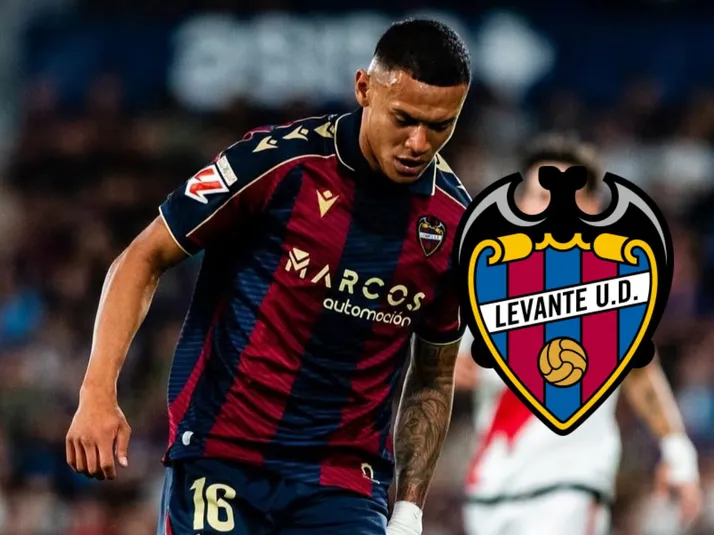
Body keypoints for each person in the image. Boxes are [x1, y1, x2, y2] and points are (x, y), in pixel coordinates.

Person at [65, 18, 473, 535]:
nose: (418, 142)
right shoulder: (275, 163)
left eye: (440, 126)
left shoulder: (456, 224)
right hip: (223, 454)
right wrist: (97, 391)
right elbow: (142, 256)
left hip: (343, 483)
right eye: (404, 118)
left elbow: (433, 374)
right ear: (364, 89)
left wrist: (410, 510)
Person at [456, 134, 703, 535]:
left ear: (591, 207)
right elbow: (446, 367)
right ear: (521, 203)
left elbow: (641, 372)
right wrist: (447, 372)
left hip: (569, 486)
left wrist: (678, 453)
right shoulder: (486, 285)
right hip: (489, 489)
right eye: (539, 195)